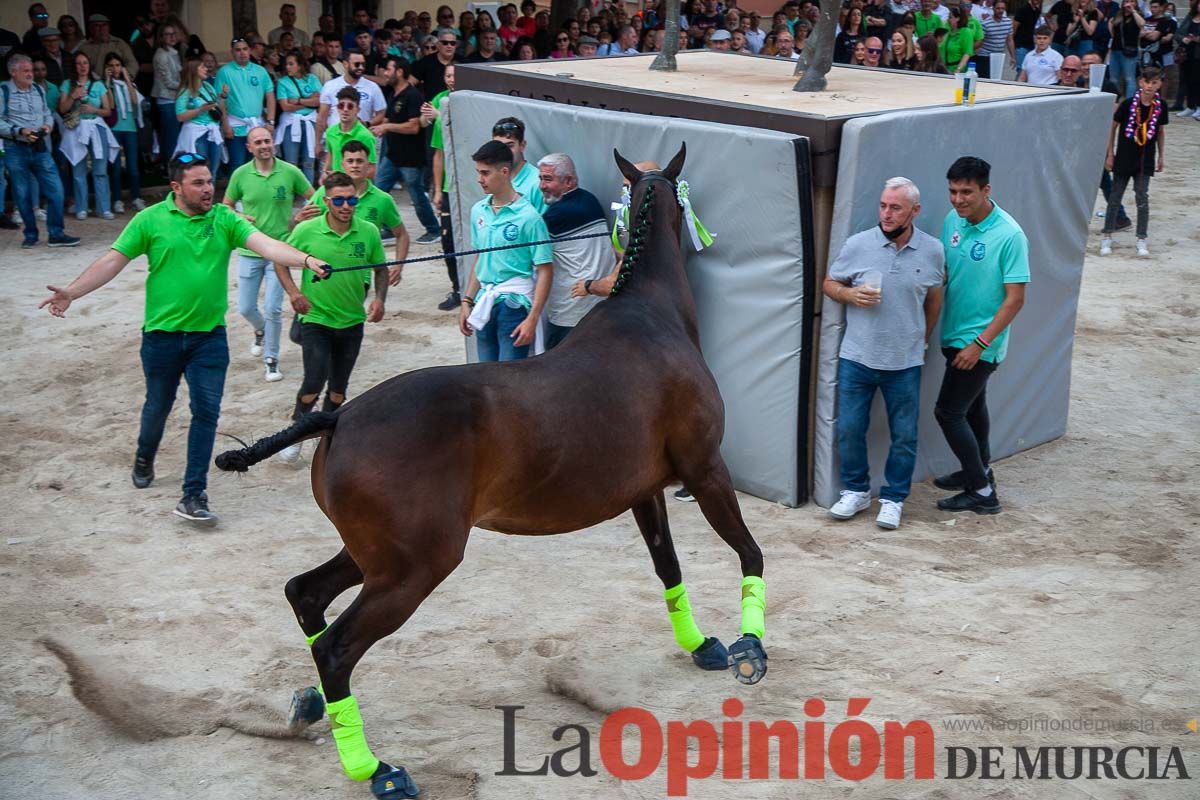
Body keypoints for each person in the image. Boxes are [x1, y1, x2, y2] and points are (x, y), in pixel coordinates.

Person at [39, 152, 331, 526]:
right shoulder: (150, 220)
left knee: (206, 414)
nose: (208, 189)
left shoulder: (225, 219)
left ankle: (194, 493)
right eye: (198, 183)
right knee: (157, 407)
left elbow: (267, 244)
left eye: (210, 181)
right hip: (160, 337)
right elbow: (112, 261)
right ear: (176, 187)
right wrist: (72, 293)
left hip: (209, 338)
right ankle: (145, 456)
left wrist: (305, 260)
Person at [824, 178, 945, 530]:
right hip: (857, 357)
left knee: (904, 435)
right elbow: (830, 282)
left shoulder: (933, 250)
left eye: (895, 207)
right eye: (883, 205)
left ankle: (893, 499)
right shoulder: (858, 244)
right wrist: (850, 296)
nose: (886, 213)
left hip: (905, 361)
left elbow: (935, 297)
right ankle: (857, 491)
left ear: (915, 211)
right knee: (849, 428)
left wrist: (922, 338)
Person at [934, 156, 1029, 515]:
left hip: (979, 343)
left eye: (967, 192)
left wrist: (980, 344)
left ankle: (982, 491)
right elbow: (946, 272)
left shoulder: (1009, 235)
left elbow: (1015, 300)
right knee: (973, 408)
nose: (958, 200)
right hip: (953, 333)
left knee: (948, 412)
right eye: (953, 191)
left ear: (986, 190)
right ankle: (979, 469)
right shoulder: (952, 221)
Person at [274, 170, 389, 463]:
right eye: (339, 200)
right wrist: (294, 294)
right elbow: (280, 261)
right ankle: (297, 433)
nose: (346, 205)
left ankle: (325, 439)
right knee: (313, 381)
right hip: (316, 320)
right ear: (326, 201)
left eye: (352, 199)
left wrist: (380, 299)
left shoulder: (368, 231)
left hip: (352, 322)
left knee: (338, 391)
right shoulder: (306, 230)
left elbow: (381, 269)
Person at [223, 125, 314, 382]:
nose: (264, 145)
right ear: (249, 147)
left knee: (274, 308)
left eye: (267, 141)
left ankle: (271, 359)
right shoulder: (241, 175)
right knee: (245, 308)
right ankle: (261, 330)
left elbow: (314, 198)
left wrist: (299, 220)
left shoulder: (290, 171)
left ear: (273, 143)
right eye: (258, 142)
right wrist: (239, 216)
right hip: (250, 249)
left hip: (280, 250)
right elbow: (226, 205)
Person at [459, 140, 552, 362]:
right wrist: (467, 301)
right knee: (484, 377)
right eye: (478, 172)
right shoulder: (478, 211)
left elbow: (545, 270)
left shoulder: (529, 217)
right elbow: (481, 258)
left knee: (510, 381)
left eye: (485, 173)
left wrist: (532, 317)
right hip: (484, 301)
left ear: (504, 171)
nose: (479, 179)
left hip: (514, 304)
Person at [298, 141, 409, 284]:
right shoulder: (324, 193)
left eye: (359, 161)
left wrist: (398, 266)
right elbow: (304, 227)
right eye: (350, 161)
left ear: (368, 165)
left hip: (361, 278)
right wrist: (299, 220)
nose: (355, 165)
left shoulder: (383, 200)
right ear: (342, 164)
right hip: (324, 272)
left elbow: (402, 234)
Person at [536, 153, 614, 349]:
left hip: (569, 314)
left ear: (569, 181)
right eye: (540, 178)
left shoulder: (557, 215)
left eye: (548, 179)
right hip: (600, 309)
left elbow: (529, 256)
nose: (542, 186)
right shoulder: (591, 201)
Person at [1, 53, 79, 247]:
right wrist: (19, 131)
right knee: (22, 194)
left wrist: (47, 126)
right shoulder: (3, 91)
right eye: (25, 71)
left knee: (56, 190)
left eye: (31, 70)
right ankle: (30, 235)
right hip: (15, 147)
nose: (30, 74)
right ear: (13, 72)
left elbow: (47, 113)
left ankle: (56, 234)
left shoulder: (38, 89)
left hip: (39, 146)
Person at [372, 56, 441, 244]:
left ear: (400, 72)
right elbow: (388, 119)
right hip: (393, 155)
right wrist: (374, 127)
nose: (385, 73)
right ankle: (388, 228)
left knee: (417, 195)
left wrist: (386, 128)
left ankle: (434, 229)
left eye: (388, 69)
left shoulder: (413, 95)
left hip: (411, 158)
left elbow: (414, 127)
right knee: (379, 190)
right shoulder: (393, 94)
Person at [1100, 66, 1167, 257]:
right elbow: (1112, 128)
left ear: (1159, 84)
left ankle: (1141, 238)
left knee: (1142, 197)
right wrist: (1110, 154)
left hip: (1145, 159)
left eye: (1154, 82)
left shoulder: (1160, 106)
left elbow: (1160, 131)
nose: (1149, 86)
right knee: (1115, 197)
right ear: (1140, 82)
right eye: (1147, 82)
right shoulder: (1128, 104)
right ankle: (1107, 235)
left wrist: (1161, 155)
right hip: (1124, 157)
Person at [59, 51, 116, 221]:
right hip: (76, 128)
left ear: (89, 65)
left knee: (100, 169)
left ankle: (103, 208)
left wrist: (94, 110)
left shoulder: (98, 85)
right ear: (74, 66)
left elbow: (108, 110)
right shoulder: (68, 84)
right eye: (78, 63)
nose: (82, 66)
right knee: (78, 169)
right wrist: (73, 96)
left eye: (85, 63)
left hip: (96, 126)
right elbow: (62, 109)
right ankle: (81, 207)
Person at [427, 64, 461, 310]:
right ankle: (456, 289)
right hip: (449, 189)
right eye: (448, 75)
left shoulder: (472, 107)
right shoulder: (441, 109)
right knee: (448, 241)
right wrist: (438, 189)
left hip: (471, 187)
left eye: (455, 75)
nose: (452, 80)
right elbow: (438, 154)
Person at [214, 37, 275, 172]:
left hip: (257, 126)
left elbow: (270, 96)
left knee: (257, 165)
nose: (242, 53)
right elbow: (220, 99)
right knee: (238, 166)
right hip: (235, 126)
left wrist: (270, 121)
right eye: (238, 50)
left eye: (245, 49)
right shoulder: (224, 72)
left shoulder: (260, 71)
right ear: (232, 52)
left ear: (250, 50)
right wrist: (225, 125)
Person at [103, 52, 143, 214]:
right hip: (114, 128)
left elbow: (134, 101)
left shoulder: (129, 85)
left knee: (133, 166)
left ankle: (136, 197)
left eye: (118, 65)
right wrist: (107, 82)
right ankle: (117, 199)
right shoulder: (106, 85)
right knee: (116, 167)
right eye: (111, 65)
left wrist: (127, 79)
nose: (115, 68)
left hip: (130, 128)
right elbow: (111, 105)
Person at [275, 51, 321, 184]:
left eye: (291, 64)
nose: (288, 67)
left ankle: (309, 194)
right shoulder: (283, 82)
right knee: (291, 161)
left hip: (310, 122)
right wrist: (309, 101)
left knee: (309, 159)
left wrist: (299, 101)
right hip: (291, 123)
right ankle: (291, 191)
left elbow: (319, 101)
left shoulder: (312, 79)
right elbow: (285, 107)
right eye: (286, 64)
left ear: (300, 65)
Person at [174, 58, 224, 169]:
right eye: (202, 67)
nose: (206, 69)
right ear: (194, 71)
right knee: (201, 168)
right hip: (197, 134)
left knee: (214, 168)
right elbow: (180, 116)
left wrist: (223, 97)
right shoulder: (185, 91)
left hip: (213, 131)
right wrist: (200, 110)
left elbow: (216, 104)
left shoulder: (208, 86)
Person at [491, 116, 545, 213]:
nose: (503, 152)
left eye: (510, 146)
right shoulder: (494, 177)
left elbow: (542, 226)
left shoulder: (538, 183)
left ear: (522, 146)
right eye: (498, 146)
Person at [322, 87, 376, 176]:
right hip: (335, 185)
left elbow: (371, 170)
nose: (345, 109)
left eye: (350, 106)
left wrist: (347, 179)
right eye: (341, 105)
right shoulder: (330, 132)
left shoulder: (365, 136)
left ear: (358, 109)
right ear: (337, 108)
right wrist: (325, 173)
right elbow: (330, 155)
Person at [152, 23, 183, 165]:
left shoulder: (174, 52)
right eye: (167, 34)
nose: (172, 37)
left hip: (175, 99)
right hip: (167, 100)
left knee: (173, 135)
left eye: (173, 33)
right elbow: (168, 82)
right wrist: (186, 86)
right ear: (161, 37)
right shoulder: (161, 55)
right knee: (171, 136)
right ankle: (170, 167)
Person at [79, 14, 137, 79]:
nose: (101, 28)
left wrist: (125, 78)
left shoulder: (119, 43)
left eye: (104, 25)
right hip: (94, 85)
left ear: (108, 27)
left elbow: (132, 63)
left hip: (117, 83)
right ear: (90, 28)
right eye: (97, 25)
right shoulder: (84, 47)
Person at [1107, 0, 1145, 97]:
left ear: (1136, 3)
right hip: (1115, 49)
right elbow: (1112, 27)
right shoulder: (1119, 15)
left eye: (1132, 1)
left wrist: (1133, 11)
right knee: (1113, 79)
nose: (1129, 3)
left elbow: (1142, 24)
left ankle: (1129, 102)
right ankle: (1114, 101)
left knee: (1129, 78)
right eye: (1127, 1)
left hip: (1129, 51)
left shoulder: (1137, 15)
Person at [410, 27, 458, 102]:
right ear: (438, 44)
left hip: (457, 106)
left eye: (452, 43)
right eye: (445, 43)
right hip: (431, 108)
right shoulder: (426, 62)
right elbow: (410, 84)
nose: (449, 46)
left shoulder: (463, 62)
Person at [978, 0, 1016, 77]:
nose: (1001, 10)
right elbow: (980, 41)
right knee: (985, 79)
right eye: (998, 8)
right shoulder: (985, 23)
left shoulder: (1008, 22)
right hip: (985, 56)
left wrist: (1013, 57)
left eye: (1003, 8)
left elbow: (1010, 40)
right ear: (993, 9)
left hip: (998, 56)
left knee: (995, 79)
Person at [1177, 0, 1200, 117]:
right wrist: (1183, 38)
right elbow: (1178, 33)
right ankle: (1190, 106)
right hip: (1186, 54)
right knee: (1188, 80)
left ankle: (1199, 107)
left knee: (1197, 81)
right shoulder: (1190, 17)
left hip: (1198, 55)